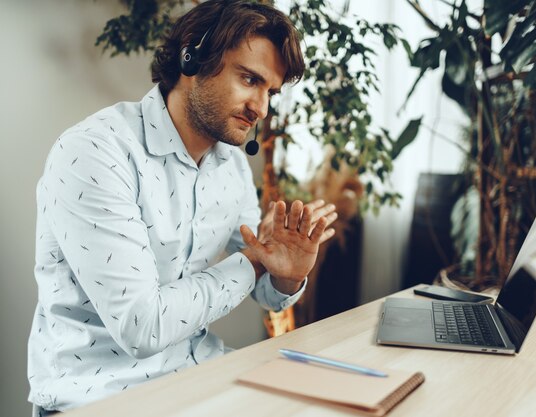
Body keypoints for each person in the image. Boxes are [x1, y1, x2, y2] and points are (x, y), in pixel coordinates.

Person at [27, 1, 337, 413]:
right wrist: (254, 262)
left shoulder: (231, 166)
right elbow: (142, 327)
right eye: (249, 79)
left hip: (199, 378)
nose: (261, 108)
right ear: (193, 56)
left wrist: (286, 274)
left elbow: (266, 287)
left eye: (271, 92)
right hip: (101, 399)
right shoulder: (95, 153)